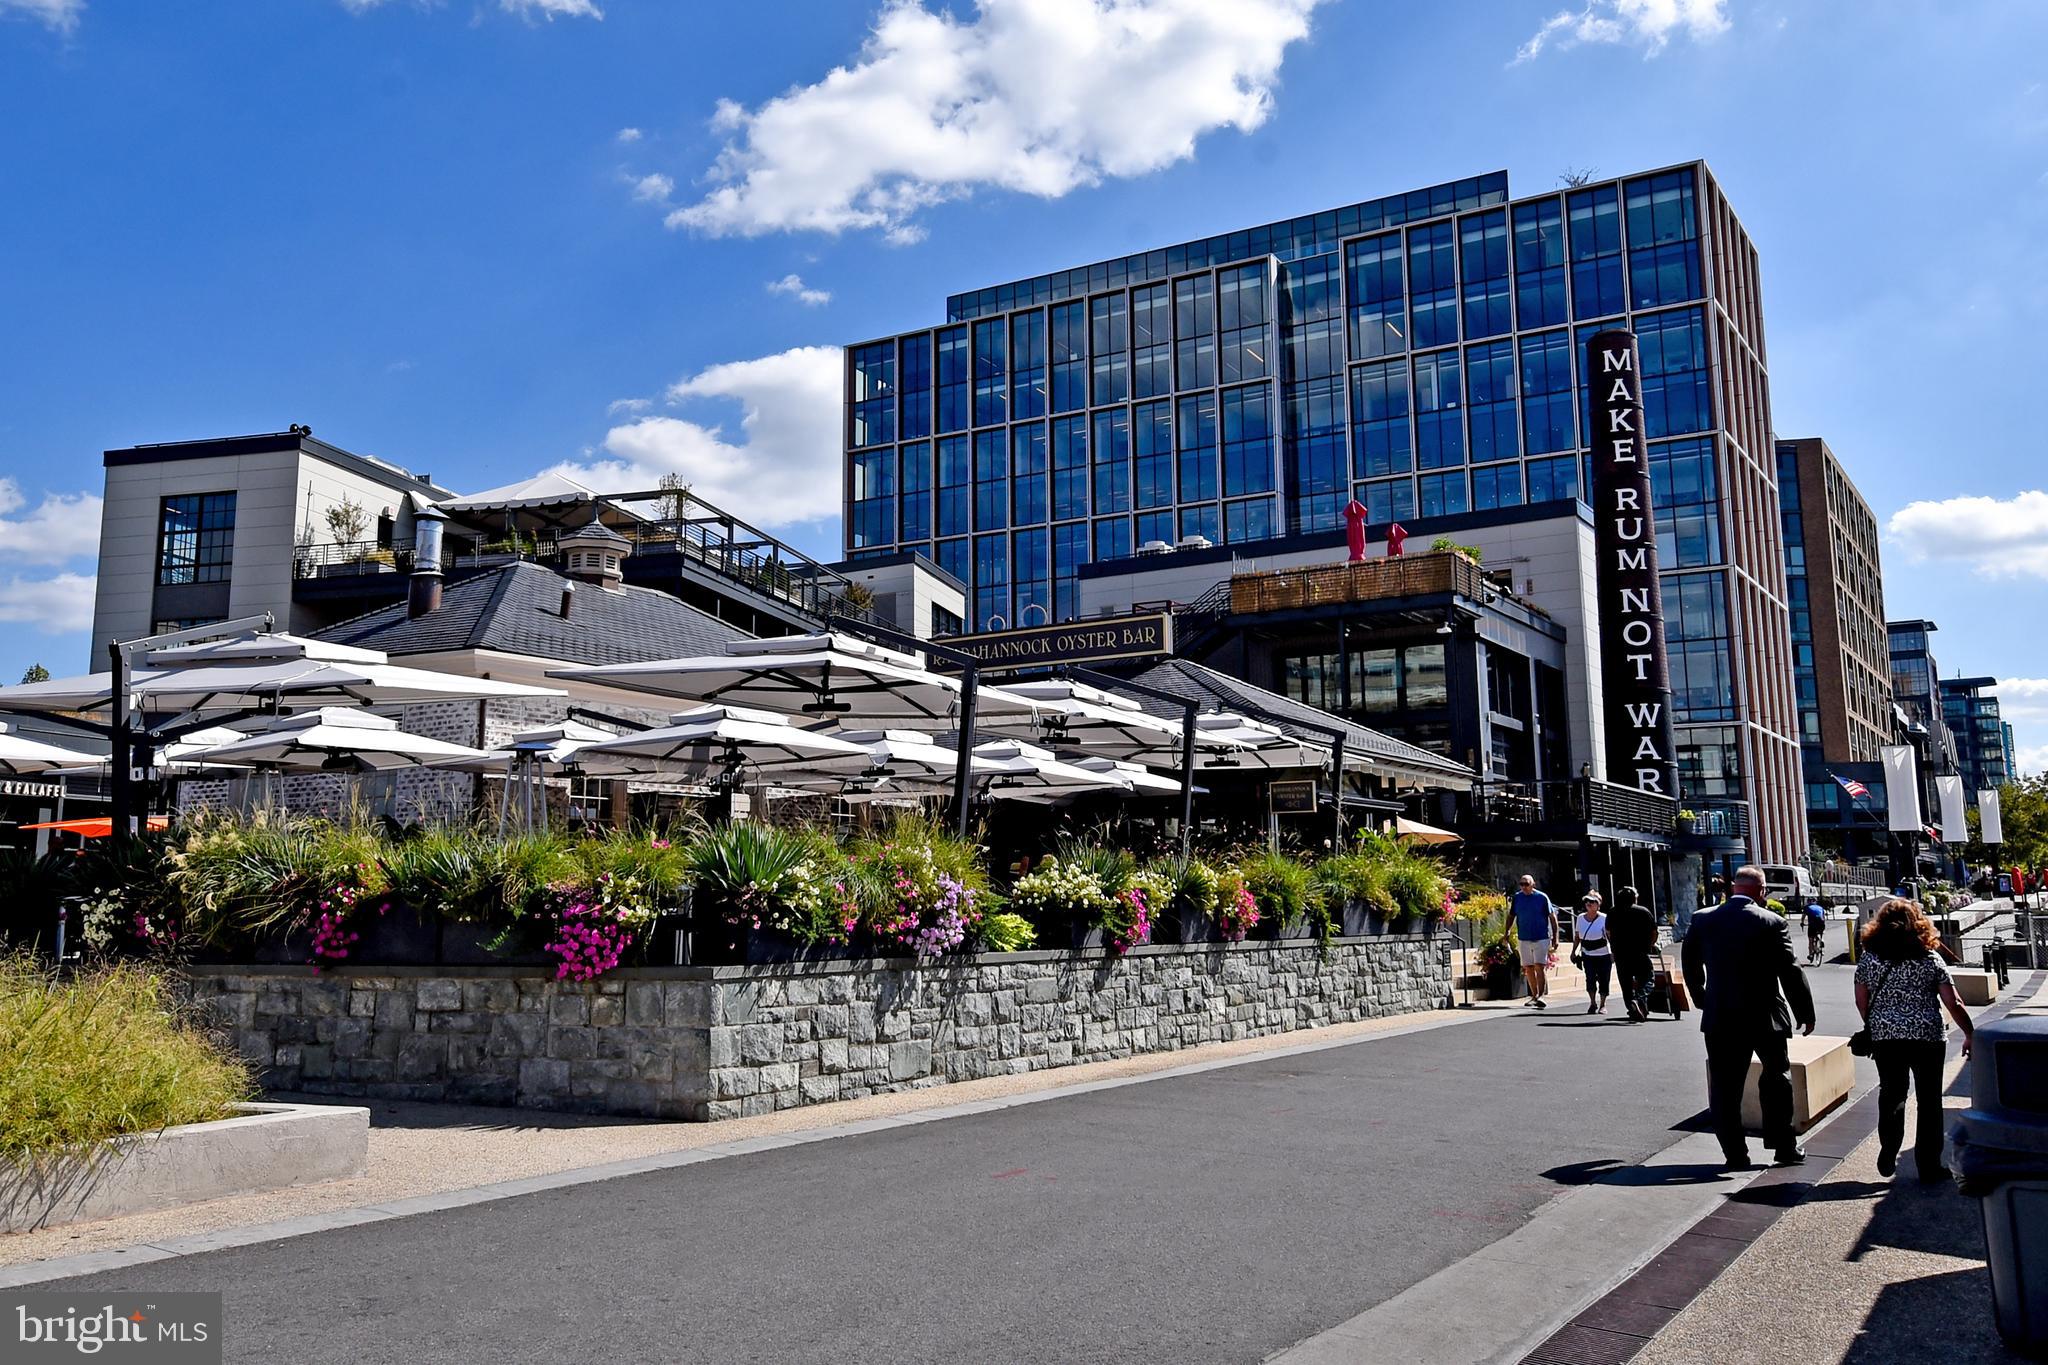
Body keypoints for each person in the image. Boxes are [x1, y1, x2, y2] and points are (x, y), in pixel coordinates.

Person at [1681, 865, 1817, 1172]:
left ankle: (1735, 1155)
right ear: (1761, 891)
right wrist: (1804, 1012)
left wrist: (1701, 996)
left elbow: (1689, 962)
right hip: (1765, 1016)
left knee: (1726, 1089)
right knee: (1776, 1081)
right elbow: (1790, 971)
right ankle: (1784, 1147)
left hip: (1721, 1017)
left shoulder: (1703, 919)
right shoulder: (1772, 921)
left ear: (1734, 888)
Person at [1856, 898, 1976, 1182]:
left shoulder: (1869, 958)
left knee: (1892, 1093)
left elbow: (1862, 1000)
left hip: (1886, 1037)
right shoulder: (1930, 957)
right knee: (1929, 1100)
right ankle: (1928, 1164)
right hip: (1928, 1037)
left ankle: (1889, 1146)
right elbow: (1953, 1001)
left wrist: (1877, 1022)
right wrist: (1970, 1032)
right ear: (1917, 923)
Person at [1607, 885, 1658, 1022]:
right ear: (1634, 898)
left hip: (1620, 952)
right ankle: (1640, 999)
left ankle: (1632, 1006)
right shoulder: (1643, 911)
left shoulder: (1612, 912)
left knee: (1626, 982)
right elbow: (1654, 931)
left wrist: (1613, 946)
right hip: (1640, 951)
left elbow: (1608, 932)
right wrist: (1651, 944)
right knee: (1648, 978)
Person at [1508, 874, 1560, 1010]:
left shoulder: (1542, 897)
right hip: (1524, 937)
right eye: (1522, 884)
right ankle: (1534, 995)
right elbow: (1511, 915)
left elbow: (1552, 917)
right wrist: (1506, 931)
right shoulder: (1517, 898)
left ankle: (1541, 995)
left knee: (1539, 966)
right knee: (1528, 967)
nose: (1524, 887)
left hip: (1541, 936)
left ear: (1533, 884)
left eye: (1526, 884)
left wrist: (1556, 936)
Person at [1573, 891, 1613, 1015]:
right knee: (1589, 978)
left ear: (1598, 904)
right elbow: (1577, 936)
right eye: (1587, 902)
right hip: (1587, 953)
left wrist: (1613, 952)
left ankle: (1602, 1004)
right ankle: (1592, 1003)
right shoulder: (1580, 918)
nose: (1589, 904)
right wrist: (1573, 951)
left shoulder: (1604, 918)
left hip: (1603, 953)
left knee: (1604, 979)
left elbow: (1610, 936)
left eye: (1592, 902)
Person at [1803, 897, 1828, 967]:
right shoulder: (1820, 907)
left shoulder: (1807, 907)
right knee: (1821, 931)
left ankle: (1811, 955)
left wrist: (1802, 923)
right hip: (1821, 923)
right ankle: (1822, 939)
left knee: (1811, 940)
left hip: (1812, 925)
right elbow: (1823, 917)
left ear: (1808, 902)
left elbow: (1803, 917)